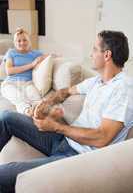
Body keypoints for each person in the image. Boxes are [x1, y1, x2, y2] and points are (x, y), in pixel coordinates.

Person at [0, 30, 132, 193]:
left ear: (107, 55)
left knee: (3, 175)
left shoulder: (123, 89)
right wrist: (45, 104)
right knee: (6, 117)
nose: (91, 54)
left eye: (94, 49)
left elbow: (102, 137)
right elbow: (65, 91)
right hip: (64, 139)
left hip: (76, 157)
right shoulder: (97, 81)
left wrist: (56, 127)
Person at [1, 28, 48, 116]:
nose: (22, 43)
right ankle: (28, 111)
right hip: (10, 83)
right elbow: (9, 71)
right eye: (19, 41)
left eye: (25, 40)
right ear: (15, 43)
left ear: (29, 41)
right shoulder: (11, 53)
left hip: (28, 83)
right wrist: (32, 64)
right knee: (19, 99)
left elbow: (51, 56)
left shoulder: (36, 53)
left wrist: (51, 56)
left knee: (36, 98)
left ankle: (41, 113)